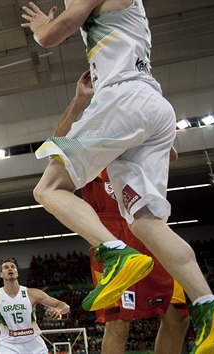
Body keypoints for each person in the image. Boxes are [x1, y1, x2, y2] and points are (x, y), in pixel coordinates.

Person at [21, 1, 214, 352]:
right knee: (145, 221)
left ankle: (114, 252)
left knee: (48, 188)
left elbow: (48, 37)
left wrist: (41, 26)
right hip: (155, 106)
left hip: (123, 98)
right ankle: (210, 306)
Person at [57, 70, 189, 353]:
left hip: (148, 227)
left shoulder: (133, 135)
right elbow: (58, 145)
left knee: (178, 316)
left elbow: (171, 155)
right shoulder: (88, 144)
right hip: (111, 235)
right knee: (119, 323)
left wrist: (150, 113)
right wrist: (79, 102)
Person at [0, 258, 70, 354]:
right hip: (9, 346)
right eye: (6, 267)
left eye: (13, 267)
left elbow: (65, 306)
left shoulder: (32, 293)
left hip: (34, 343)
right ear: (1, 274)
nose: (10, 269)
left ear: (17, 272)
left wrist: (59, 310)